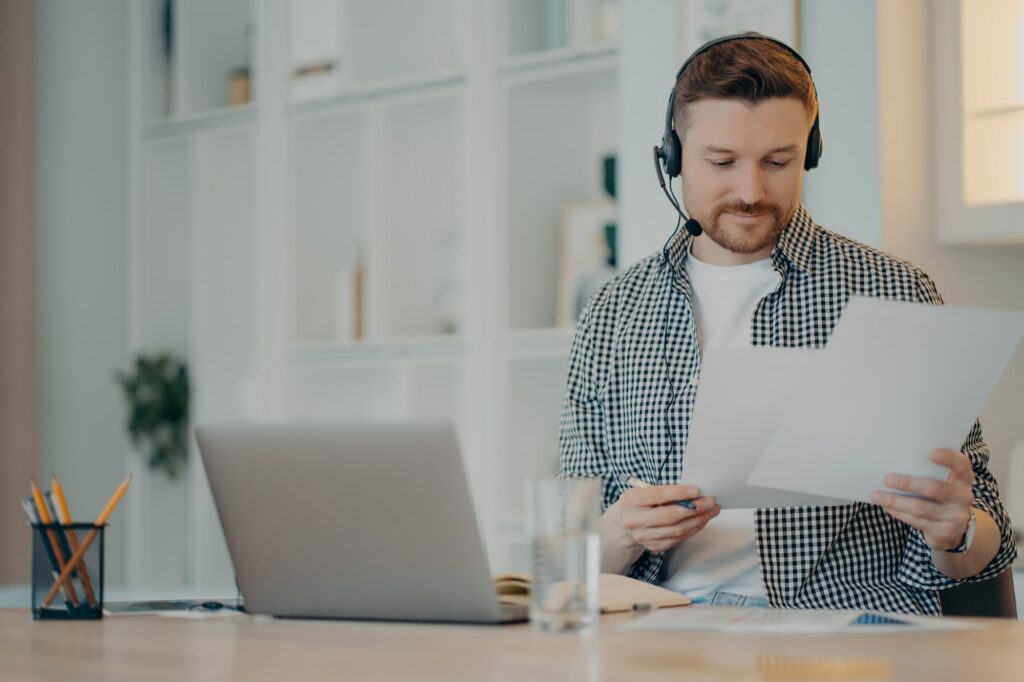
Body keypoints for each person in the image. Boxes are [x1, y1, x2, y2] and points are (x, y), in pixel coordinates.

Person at [557, 32, 1016, 615]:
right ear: (671, 158)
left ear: (811, 152)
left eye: (779, 162)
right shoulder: (614, 310)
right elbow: (570, 549)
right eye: (722, 162)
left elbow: (984, 543)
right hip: (665, 626)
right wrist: (619, 532)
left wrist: (954, 529)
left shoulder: (894, 291)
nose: (751, 191)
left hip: (851, 626)